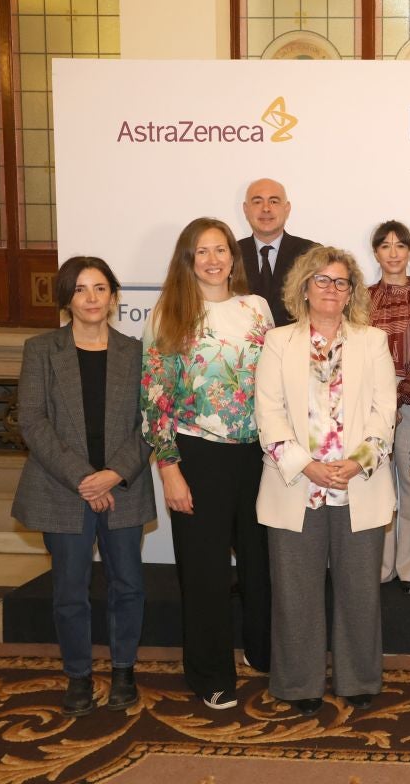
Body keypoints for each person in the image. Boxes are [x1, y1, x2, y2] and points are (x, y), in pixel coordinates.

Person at [255, 246, 397, 717]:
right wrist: (305, 464)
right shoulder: (278, 341)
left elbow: (385, 412)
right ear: (304, 288)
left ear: (352, 291)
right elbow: (268, 414)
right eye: (322, 280)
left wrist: (358, 461)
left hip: (359, 483)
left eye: (341, 282)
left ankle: (358, 680)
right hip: (296, 484)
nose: (331, 289)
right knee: (295, 593)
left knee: (359, 591)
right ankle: (299, 683)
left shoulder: (373, 341)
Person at [12, 256, 155, 716]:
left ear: (114, 296)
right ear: (66, 298)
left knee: (128, 584)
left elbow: (149, 422)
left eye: (99, 288)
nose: (91, 298)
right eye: (79, 289)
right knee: (70, 590)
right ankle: (77, 676)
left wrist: (113, 474)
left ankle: (123, 672)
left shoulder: (135, 352)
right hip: (60, 488)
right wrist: (83, 479)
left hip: (124, 487)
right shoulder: (40, 350)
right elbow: (32, 422)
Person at [142, 216, 275, 709]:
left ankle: (263, 654)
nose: (214, 259)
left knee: (261, 565)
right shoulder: (170, 313)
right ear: (188, 260)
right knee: (205, 573)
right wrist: (169, 468)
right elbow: (154, 399)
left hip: (259, 456)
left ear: (233, 258)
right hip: (197, 455)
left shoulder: (256, 307)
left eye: (221, 250)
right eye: (203, 252)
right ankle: (210, 675)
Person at [368, 221, 410, 594]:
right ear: (375, 252)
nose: (393, 252)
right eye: (385, 246)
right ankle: (376, 566)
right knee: (374, 485)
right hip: (367, 401)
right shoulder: (358, 299)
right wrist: (380, 396)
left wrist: (400, 394)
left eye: (400, 245)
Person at [239, 178, 316, 327]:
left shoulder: (310, 253)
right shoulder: (231, 254)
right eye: (257, 202)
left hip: (295, 345)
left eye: (274, 201)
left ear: (287, 209)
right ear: (245, 209)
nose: (266, 208)